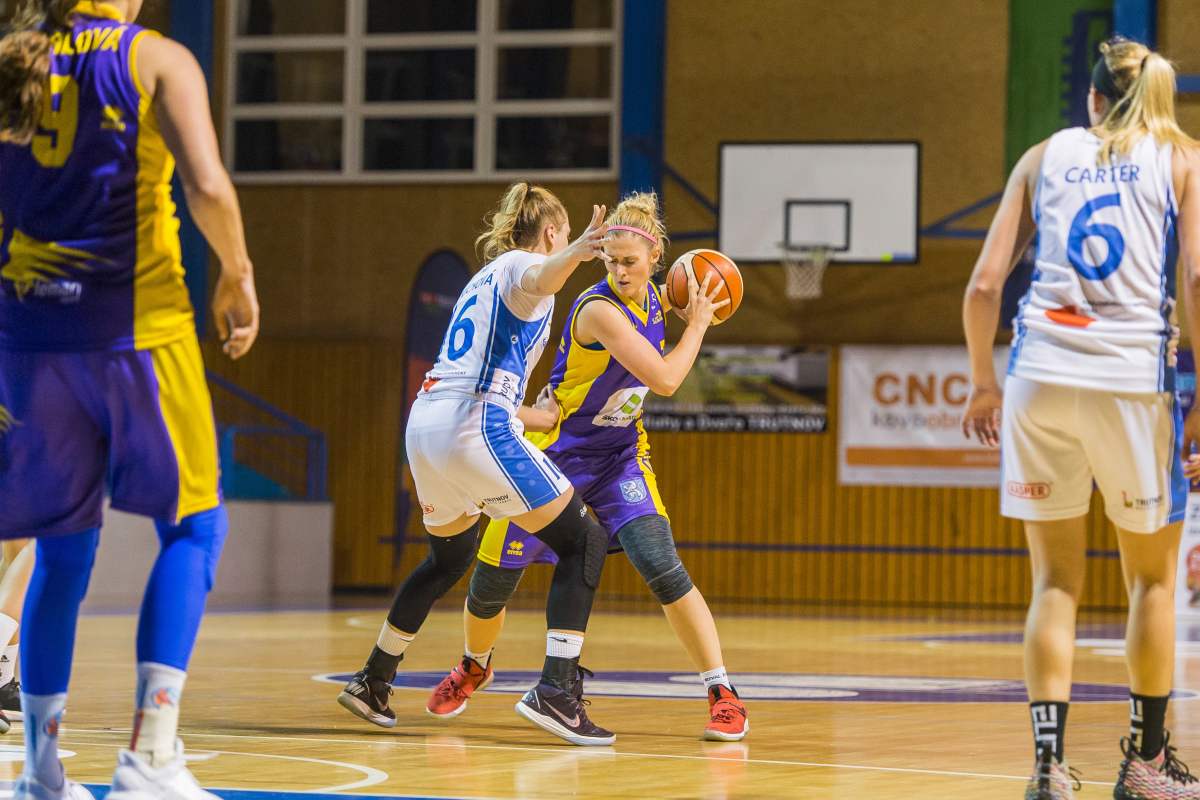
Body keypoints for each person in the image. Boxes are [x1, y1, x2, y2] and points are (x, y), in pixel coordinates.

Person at [0, 0, 260, 797]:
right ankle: (151, 755)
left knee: (61, 548)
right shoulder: (154, 58)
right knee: (196, 527)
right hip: (136, 331)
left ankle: (41, 772)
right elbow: (207, 186)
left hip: (29, 337)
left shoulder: (14, 57)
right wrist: (238, 274)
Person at [962, 36, 1200, 800]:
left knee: (1054, 582)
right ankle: (1148, 763)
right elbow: (1197, 277)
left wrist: (982, 385)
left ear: (1092, 99)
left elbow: (983, 287)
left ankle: (1048, 768)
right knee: (1151, 581)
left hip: (1039, 374)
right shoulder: (1182, 158)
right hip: (1132, 381)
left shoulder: (1043, 156)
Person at [425, 192, 748, 742]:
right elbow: (667, 379)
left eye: (630, 261)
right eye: (611, 261)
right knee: (490, 585)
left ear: (656, 258)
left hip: (619, 456)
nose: (620, 271)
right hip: (554, 454)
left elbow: (673, 316)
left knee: (662, 564)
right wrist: (698, 324)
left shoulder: (656, 301)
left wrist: (694, 297)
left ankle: (722, 691)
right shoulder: (597, 310)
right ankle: (475, 665)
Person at [337, 183, 620, 746]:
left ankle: (373, 679)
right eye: (566, 234)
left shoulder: (482, 279)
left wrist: (539, 418)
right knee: (584, 540)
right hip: (472, 426)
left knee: (449, 557)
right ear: (551, 233)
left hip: (427, 424)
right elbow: (544, 276)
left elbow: (484, 381)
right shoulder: (522, 266)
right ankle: (556, 691)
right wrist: (579, 250)